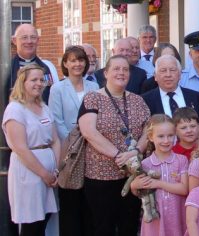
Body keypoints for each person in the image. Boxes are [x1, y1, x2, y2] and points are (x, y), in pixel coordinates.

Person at [78, 55, 151, 236]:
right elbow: (88, 132)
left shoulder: (138, 100)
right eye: (116, 69)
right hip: (100, 177)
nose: (121, 73)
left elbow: (149, 131)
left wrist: (135, 152)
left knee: (129, 225)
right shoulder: (93, 98)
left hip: (132, 176)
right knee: (104, 227)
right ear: (106, 73)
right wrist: (119, 155)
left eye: (125, 69)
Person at [2, 64, 61, 236]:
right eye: (33, 80)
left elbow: (55, 140)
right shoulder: (15, 109)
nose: (39, 83)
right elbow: (21, 148)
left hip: (50, 173)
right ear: (23, 82)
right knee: (31, 224)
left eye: (41, 80)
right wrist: (44, 174)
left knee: (44, 219)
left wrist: (55, 170)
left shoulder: (43, 107)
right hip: (29, 173)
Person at [48, 46, 98, 236]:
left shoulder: (94, 87)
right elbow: (57, 121)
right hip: (69, 152)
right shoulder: (57, 88)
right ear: (65, 64)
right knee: (70, 206)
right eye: (73, 60)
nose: (77, 64)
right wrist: (75, 142)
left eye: (81, 60)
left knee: (89, 205)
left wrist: (90, 138)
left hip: (93, 150)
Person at [130, 114, 189, 236]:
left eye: (170, 136)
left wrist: (158, 183)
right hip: (156, 219)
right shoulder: (145, 164)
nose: (166, 141)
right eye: (161, 136)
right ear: (151, 137)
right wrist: (134, 186)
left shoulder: (181, 160)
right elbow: (140, 193)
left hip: (176, 216)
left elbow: (184, 189)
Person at [142, 55, 199, 122]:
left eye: (172, 70)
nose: (168, 75)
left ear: (180, 74)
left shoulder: (196, 97)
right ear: (155, 76)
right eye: (163, 70)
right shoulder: (145, 101)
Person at [7, 24, 59, 104]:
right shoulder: (5, 70)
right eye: (24, 37)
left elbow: (55, 97)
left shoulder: (49, 67)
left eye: (33, 37)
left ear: (38, 40)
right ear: (14, 40)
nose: (29, 41)